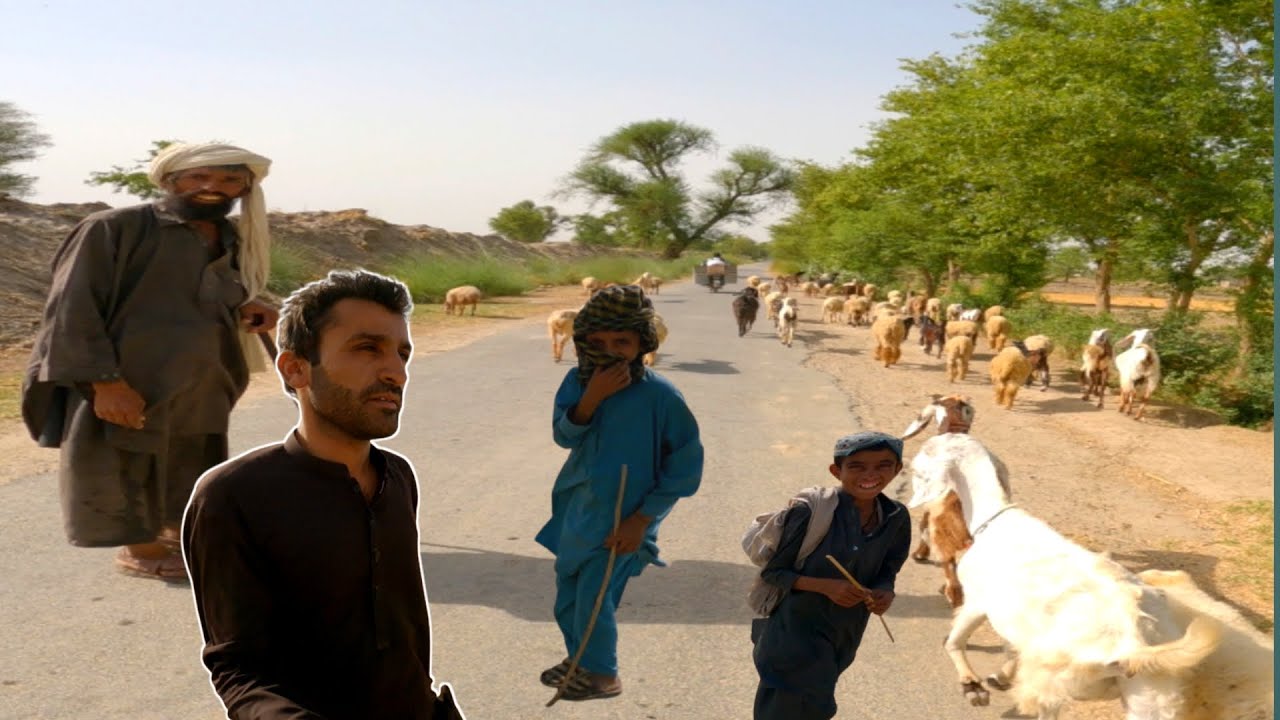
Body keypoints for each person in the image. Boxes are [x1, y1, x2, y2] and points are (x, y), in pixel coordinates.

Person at [182, 269, 465, 719]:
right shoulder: (232, 496)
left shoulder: (398, 478)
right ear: (296, 368)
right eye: (367, 349)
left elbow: (407, 638)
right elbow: (237, 669)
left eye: (402, 354)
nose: (395, 372)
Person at [20, 142, 278, 580]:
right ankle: (139, 549)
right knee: (124, 458)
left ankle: (177, 534)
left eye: (230, 179)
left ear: (245, 187)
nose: (214, 188)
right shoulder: (114, 228)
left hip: (202, 376)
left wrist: (253, 305)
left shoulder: (232, 236)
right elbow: (72, 307)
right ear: (171, 180)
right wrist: (104, 382)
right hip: (129, 375)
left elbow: (217, 288)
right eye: (199, 177)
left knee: (192, 456)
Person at [536, 285, 704, 701]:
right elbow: (563, 436)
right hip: (580, 510)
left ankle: (602, 674)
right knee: (569, 596)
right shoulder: (577, 383)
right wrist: (592, 399)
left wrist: (641, 521)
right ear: (583, 341)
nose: (610, 350)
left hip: (624, 519)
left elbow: (685, 465)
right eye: (599, 342)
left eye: (622, 342)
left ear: (641, 343)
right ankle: (579, 660)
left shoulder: (659, 396)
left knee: (595, 598)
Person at [751, 431, 912, 720]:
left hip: (844, 633)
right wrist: (824, 586)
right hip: (794, 633)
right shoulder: (810, 512)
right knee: (788, 707)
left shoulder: (896, 517)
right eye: (857, 466)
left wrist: (884, 591)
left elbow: (889, 567)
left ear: (898, 469)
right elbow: (774, 572)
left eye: (883, 465)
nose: (871, 474)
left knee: (815, 706)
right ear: (836, 471)